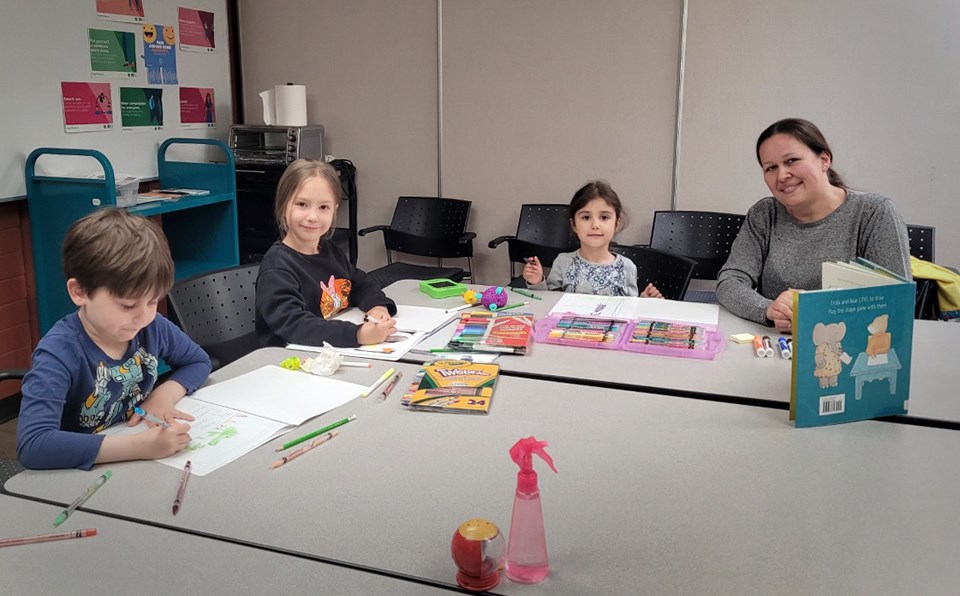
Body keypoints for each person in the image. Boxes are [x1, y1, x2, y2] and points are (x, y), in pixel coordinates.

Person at [17, 210, 211, 470]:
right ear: (80, 292)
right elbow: (33, 445)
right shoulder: (59, 353)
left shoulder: (152, 327)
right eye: (128, 305)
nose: (143, 317)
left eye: (153, 301)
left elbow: (198, 361)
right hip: (79, 475)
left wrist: (163, 395)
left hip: (133, 464)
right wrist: (140, 447)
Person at [716, 118, 911, 330]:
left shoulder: (874, 213)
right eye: (771, 168)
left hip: (852, 347)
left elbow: (896, 302)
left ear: (824, 160)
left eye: (791, 161)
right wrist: (769, 309)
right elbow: (730, 281)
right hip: (774, 343)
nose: (782, 175)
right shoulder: (764, 214)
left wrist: (814, 309)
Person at [256, 158, 398, 348]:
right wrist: (357, 335)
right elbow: (295, 325)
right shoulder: (277, 267)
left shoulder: (330, 250)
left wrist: (377, 306)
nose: (312, 217)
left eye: (323, 207)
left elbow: (360, 283)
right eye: (302, 204)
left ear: (334, 211)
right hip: (291, 361)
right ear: (283, 206)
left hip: (332, 354)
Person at [522, 180, 663, 298]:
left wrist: (644, 301)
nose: (595, 225)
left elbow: (629, 311)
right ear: (574, 225)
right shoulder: (562, 262)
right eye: (586, 217)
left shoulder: (627, 267)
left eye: (604, 217)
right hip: (569, 331)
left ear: (616, 224)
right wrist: (537, 282)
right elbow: (548, 303)